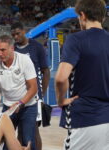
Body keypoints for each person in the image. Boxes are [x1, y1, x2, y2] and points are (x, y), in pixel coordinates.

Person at [55, 0, 109, 149]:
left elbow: (61, 78)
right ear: (102, 17)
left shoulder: (76, 39)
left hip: (86, 117)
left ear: (82, 15)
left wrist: (60, 100)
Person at [0, 35, 38, 150]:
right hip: (8, 107)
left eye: (3, 50)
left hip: (28, 106)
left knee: (28, 141)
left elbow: (33, 88)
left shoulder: (24, 60)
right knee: (3, 142)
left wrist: (20, 103)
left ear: (12, 48)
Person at [11, 22, 50, 150]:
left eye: (18, 33)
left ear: (24, 31)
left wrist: (42, 93)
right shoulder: (13, 49)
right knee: (19, 131)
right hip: (17, 96)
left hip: (34, 96)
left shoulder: (37, 47)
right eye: (13, 35)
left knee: (33, 131)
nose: (16, 37)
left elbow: (46, 71)